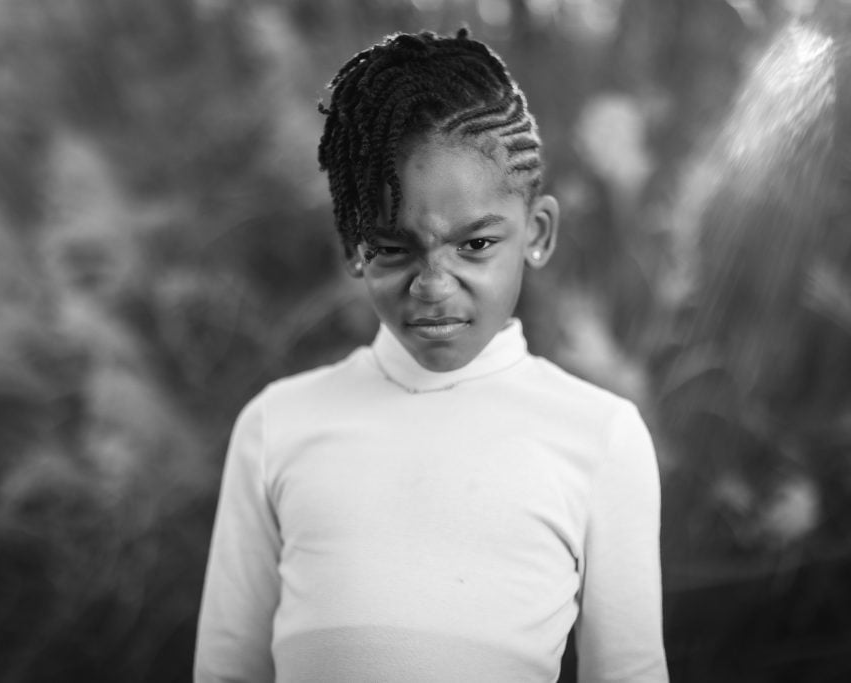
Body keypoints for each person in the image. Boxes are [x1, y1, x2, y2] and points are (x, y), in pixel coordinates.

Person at [194, 28, 668, 683]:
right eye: (394, 247)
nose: (434, 286)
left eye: (474, 245)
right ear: (356, 248)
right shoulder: (277, 427)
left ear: (536, 232)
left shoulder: (598, 436)